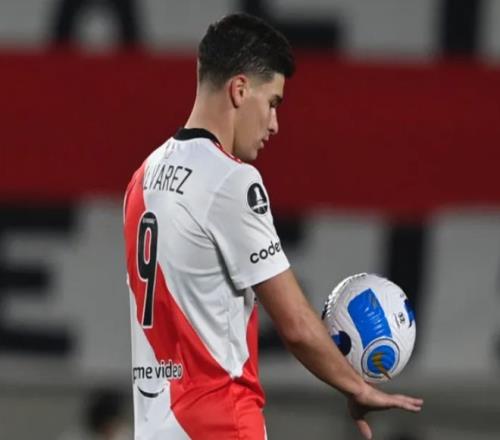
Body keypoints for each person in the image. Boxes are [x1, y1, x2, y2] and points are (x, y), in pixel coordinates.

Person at [123, 13, 423, 440]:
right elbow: (296, 325)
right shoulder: (230, 179)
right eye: (273, 103)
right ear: (240, 90)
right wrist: (357, 387)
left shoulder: (142, 178)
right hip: (222, 425)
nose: (274, 124)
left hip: (155, 427)